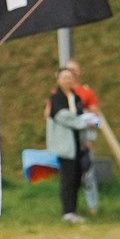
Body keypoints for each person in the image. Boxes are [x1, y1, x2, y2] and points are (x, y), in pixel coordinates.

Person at [44, 67, 96, 224]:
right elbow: (62, 117)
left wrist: (89, 130)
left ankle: (74, 209)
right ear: (58, 80)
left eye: (70, 77)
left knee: (78, 176)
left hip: (78, 144)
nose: (67, 80)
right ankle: (67, 211)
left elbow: (83, 114)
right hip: (65, 145)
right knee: (68, 177)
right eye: (64, 77)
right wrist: (82, 122)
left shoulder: (76, 97)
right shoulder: (56, 98)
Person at [62, 59, 104, 213]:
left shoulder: (86, 92)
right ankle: (71, 208)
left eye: (74, 70)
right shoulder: (59, 94)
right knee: (70, 175)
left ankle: (93, 206)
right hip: (67, 140)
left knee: (88, 173)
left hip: (84, 138)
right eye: (68, 70)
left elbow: (95, 115)